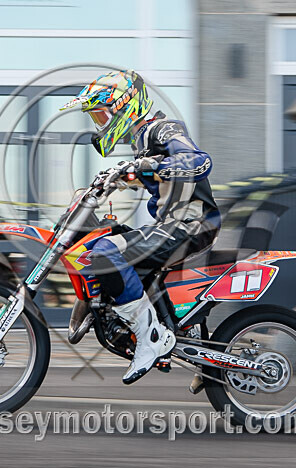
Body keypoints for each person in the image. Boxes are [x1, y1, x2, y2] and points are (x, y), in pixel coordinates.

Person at [61, 70, 220, 384]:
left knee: (106, 252)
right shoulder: (140, 141)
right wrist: (116, 178)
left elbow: (199, 162)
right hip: (173, 225)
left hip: (191, 225)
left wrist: (150, 166)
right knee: (99, 242)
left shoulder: (164, 129)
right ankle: (170, 330)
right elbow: (146, 174)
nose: (100, 124)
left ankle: (150, 340)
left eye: (102, 115)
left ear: (125, 107)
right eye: (96, 117)